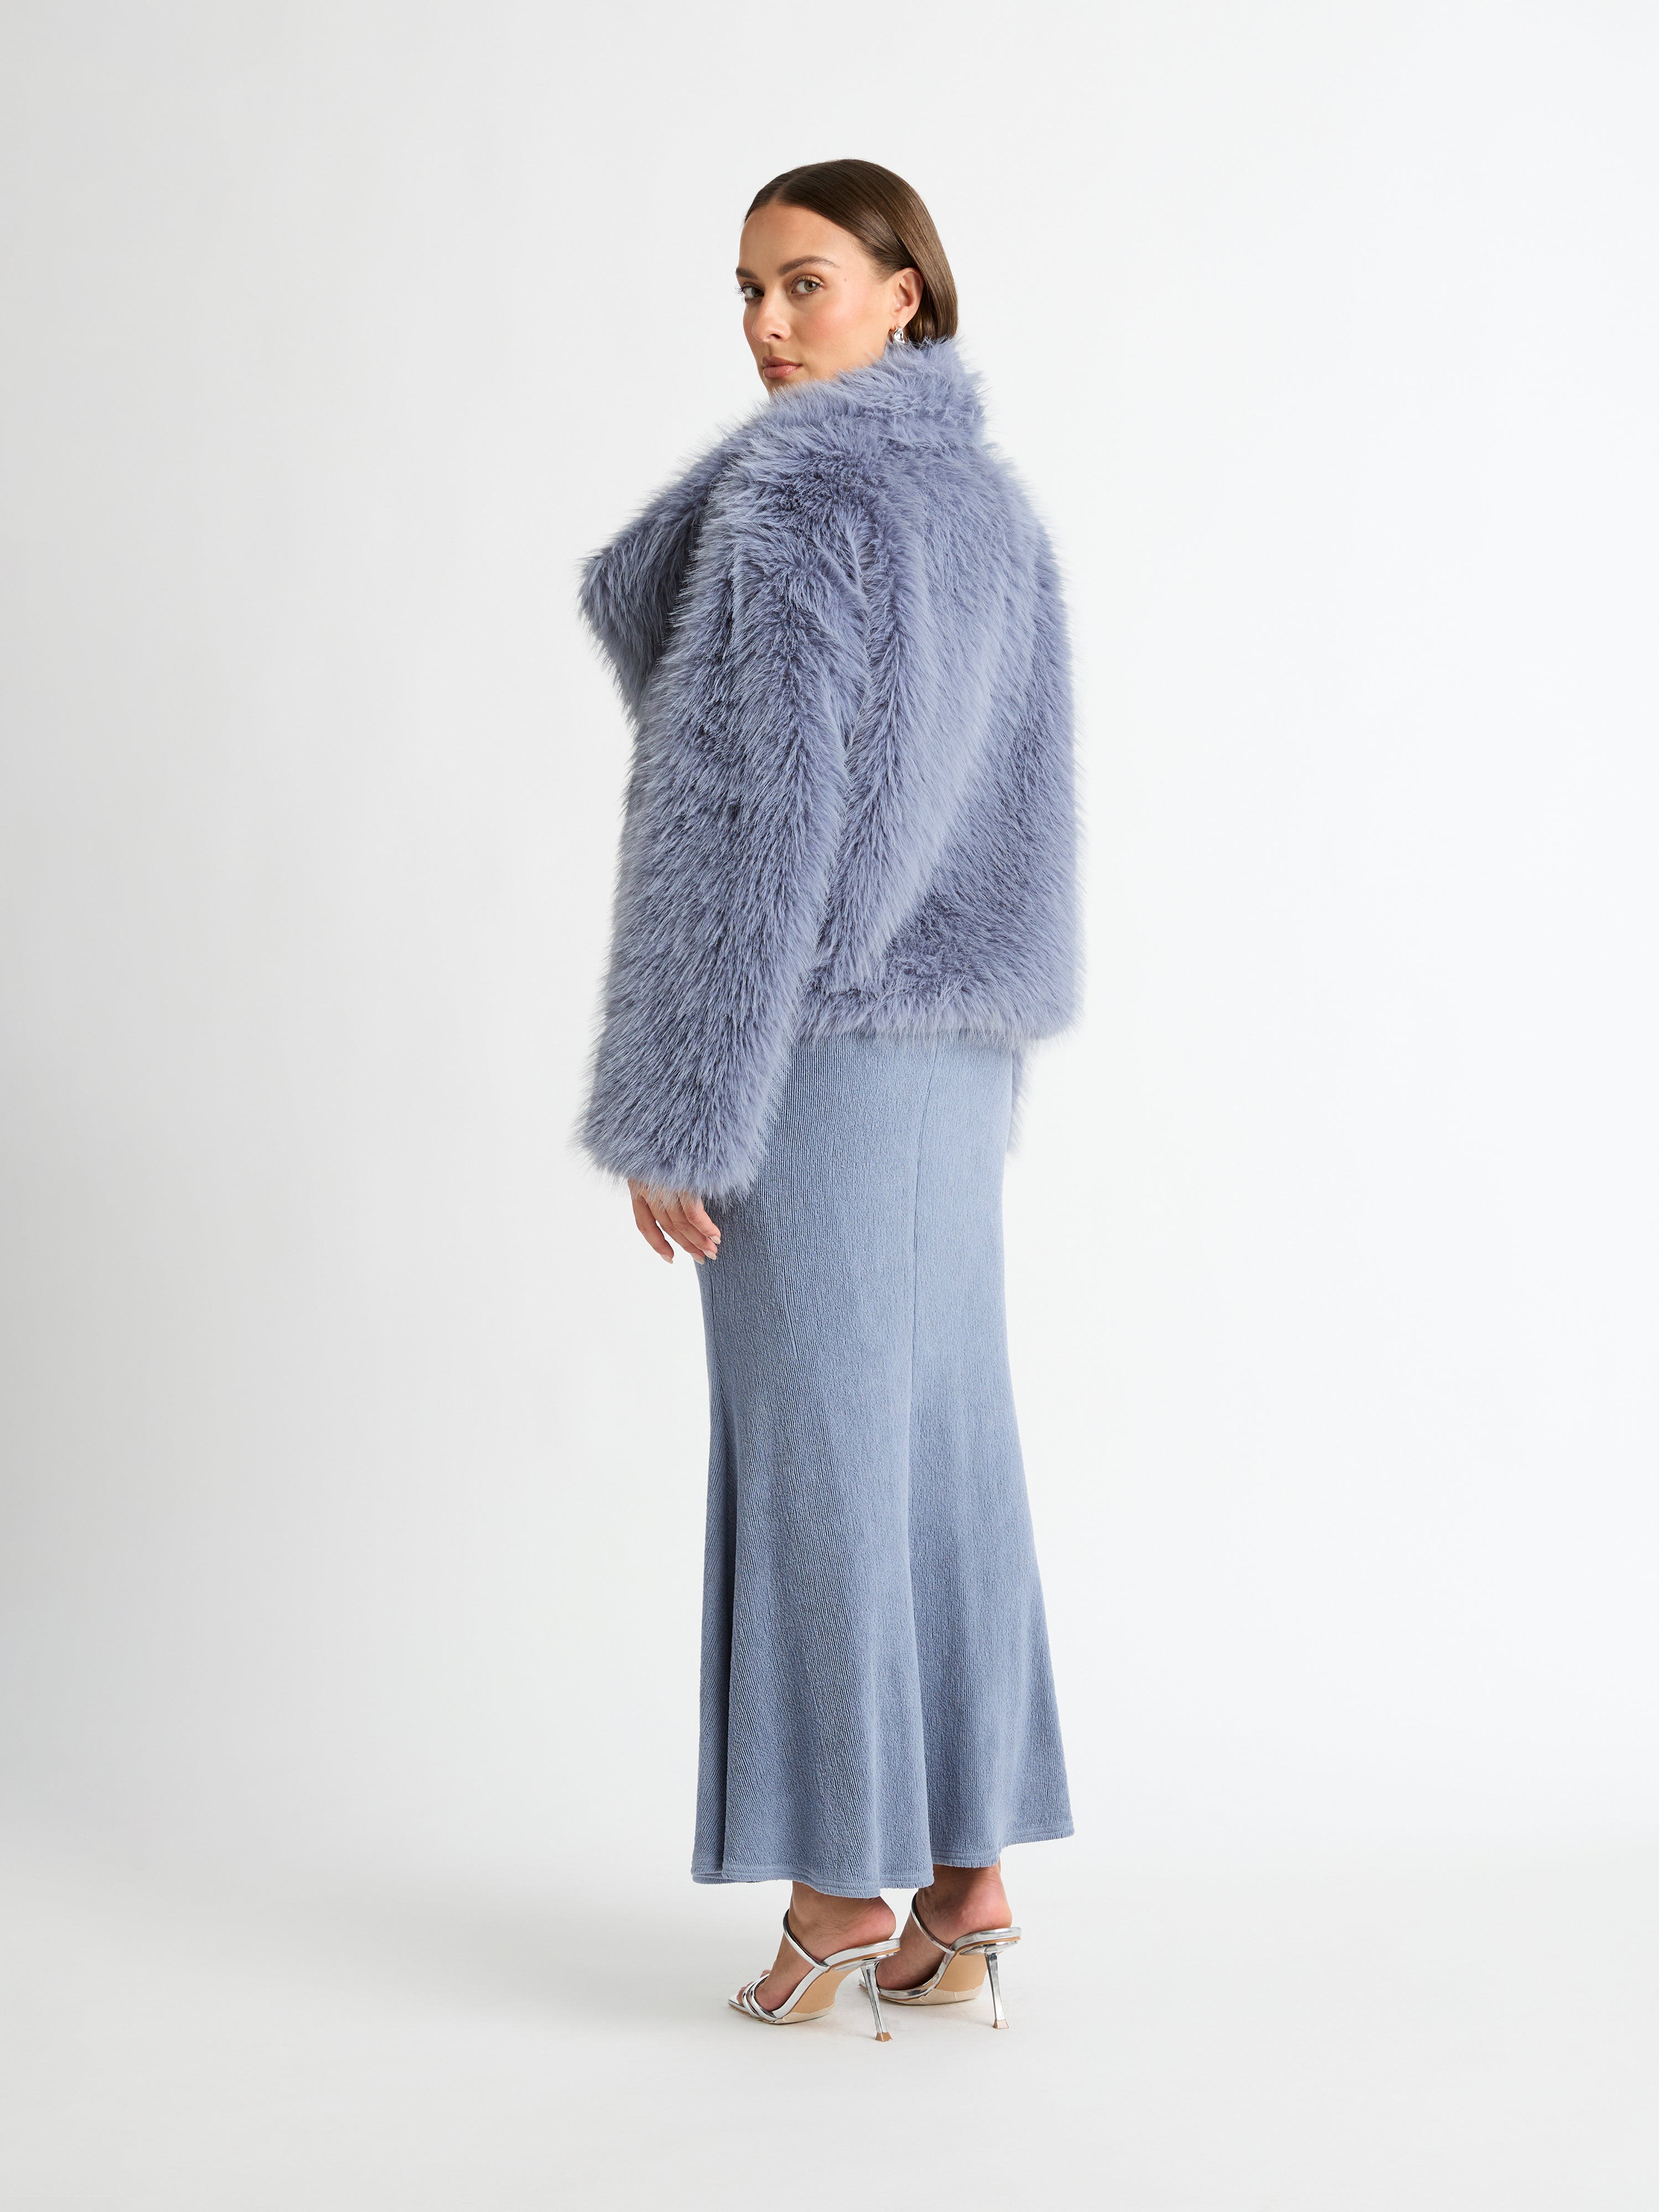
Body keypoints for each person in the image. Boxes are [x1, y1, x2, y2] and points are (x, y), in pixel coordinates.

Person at [577, 159, 1078, 2037]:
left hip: (813, 1055)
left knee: (820, 1468)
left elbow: (743, 836)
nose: (767, 325)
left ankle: (838, 1893)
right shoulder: (990, 511)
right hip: (953, 1061)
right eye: (747, 290)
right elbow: (1014, 808)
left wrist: (677, 1106)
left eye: (805, 283)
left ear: (902, 294)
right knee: (944, 1453)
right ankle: (967, 1882)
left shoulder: (793, 506)